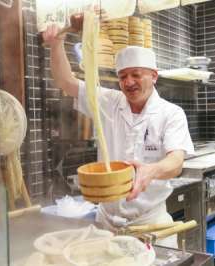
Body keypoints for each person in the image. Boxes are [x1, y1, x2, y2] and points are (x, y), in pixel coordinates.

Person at [43, 22, 194, 248]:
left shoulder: (171, 113)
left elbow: (176, 162)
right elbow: (67, 82)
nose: (128, 82)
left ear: (153, 76)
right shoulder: (109, 102)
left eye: (136, 74)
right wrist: (56, 45)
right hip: (106, 225)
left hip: (149, 224)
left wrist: (150, 171)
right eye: (123, 76)